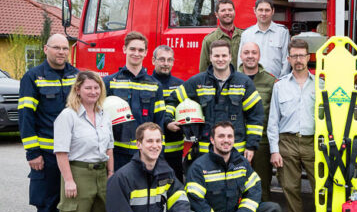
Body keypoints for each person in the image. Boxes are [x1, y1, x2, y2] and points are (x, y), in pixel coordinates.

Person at [18, 33, 78, 212]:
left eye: (65, 48)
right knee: (47, 204)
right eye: (56, 48)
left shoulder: (77, 75)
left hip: (73, 155)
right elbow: (26, 117)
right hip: (46, 155)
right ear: (46, 49)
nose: (61, 52)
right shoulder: (33, 77)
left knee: (70, 205)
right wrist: (32, 153)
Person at [53, 71, 114, 212]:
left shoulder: (104, 114)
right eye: (88, 88)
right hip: (78, 172)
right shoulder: (68, 116)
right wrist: (69, 180)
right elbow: (61, 152)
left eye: (96, 88)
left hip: (101, 173)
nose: (93, 92)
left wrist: (110, 173)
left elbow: (110, 147)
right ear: (77, 89)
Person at [172, 39, 263, 163]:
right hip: (204, 153)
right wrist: (169, 121)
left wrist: (251, 146)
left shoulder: (244, 83)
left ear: (230, 57)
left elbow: (255, 116)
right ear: (210, 57)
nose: (220, 59)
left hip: (235, 153)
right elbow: (172, 100)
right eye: (216, 55)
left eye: (224, 55)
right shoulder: (197, 82)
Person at [268, 38, 316, 212]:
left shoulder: (321, 84)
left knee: (322, 189)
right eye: (294, 56)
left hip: (313, 142)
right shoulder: (280, 87)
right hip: (286, 141)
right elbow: (273, 120)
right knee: (291, 189)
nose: (298, 60)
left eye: (302, 55)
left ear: (308, 57)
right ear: (288, 59)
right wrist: (274, 150)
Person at [239, 40, 282, 212]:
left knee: (263, 185)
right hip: (236, 142)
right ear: (241, 56)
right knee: (235, 185)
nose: (249, 56)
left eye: (253, 52)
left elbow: (274, 114)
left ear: (259, 55)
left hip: (262, 142)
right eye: (246, 52)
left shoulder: (271, 81)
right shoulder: (232, 78)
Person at [103, 31, 165, 171]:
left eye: (140, 50)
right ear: (124, 49)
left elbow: (159, 122)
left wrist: (159, 155)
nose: (136, 53)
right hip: (117, 153)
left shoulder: (155, 85)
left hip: (145, 153)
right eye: (132, 49)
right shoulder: (109, 82)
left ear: (146, 53)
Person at [151, 45, 185, 181]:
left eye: (169, 60)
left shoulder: (181, 85)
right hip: (152, 148)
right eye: (162, 59)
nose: (166, 64)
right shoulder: (147, 83)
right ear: (154, 61)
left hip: (174, 150)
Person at [238, 0, 291, 78]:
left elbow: (286, 60)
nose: (263, 13)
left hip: (276, 82)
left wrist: (282, 81)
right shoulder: (246, 34)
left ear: (273, 11)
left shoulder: (282, 32)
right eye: (260, 10)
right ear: (254, 10)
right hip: (252, 82)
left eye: (267, 10)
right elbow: (240, 60)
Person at [198, 0, 243, 72]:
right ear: (216, 14)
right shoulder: (209, 40)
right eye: (223, 10)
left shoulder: (244, 36)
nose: (227, 13)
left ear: (234, 12)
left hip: (242, 82)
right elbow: (203, 69)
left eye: (230, 10)